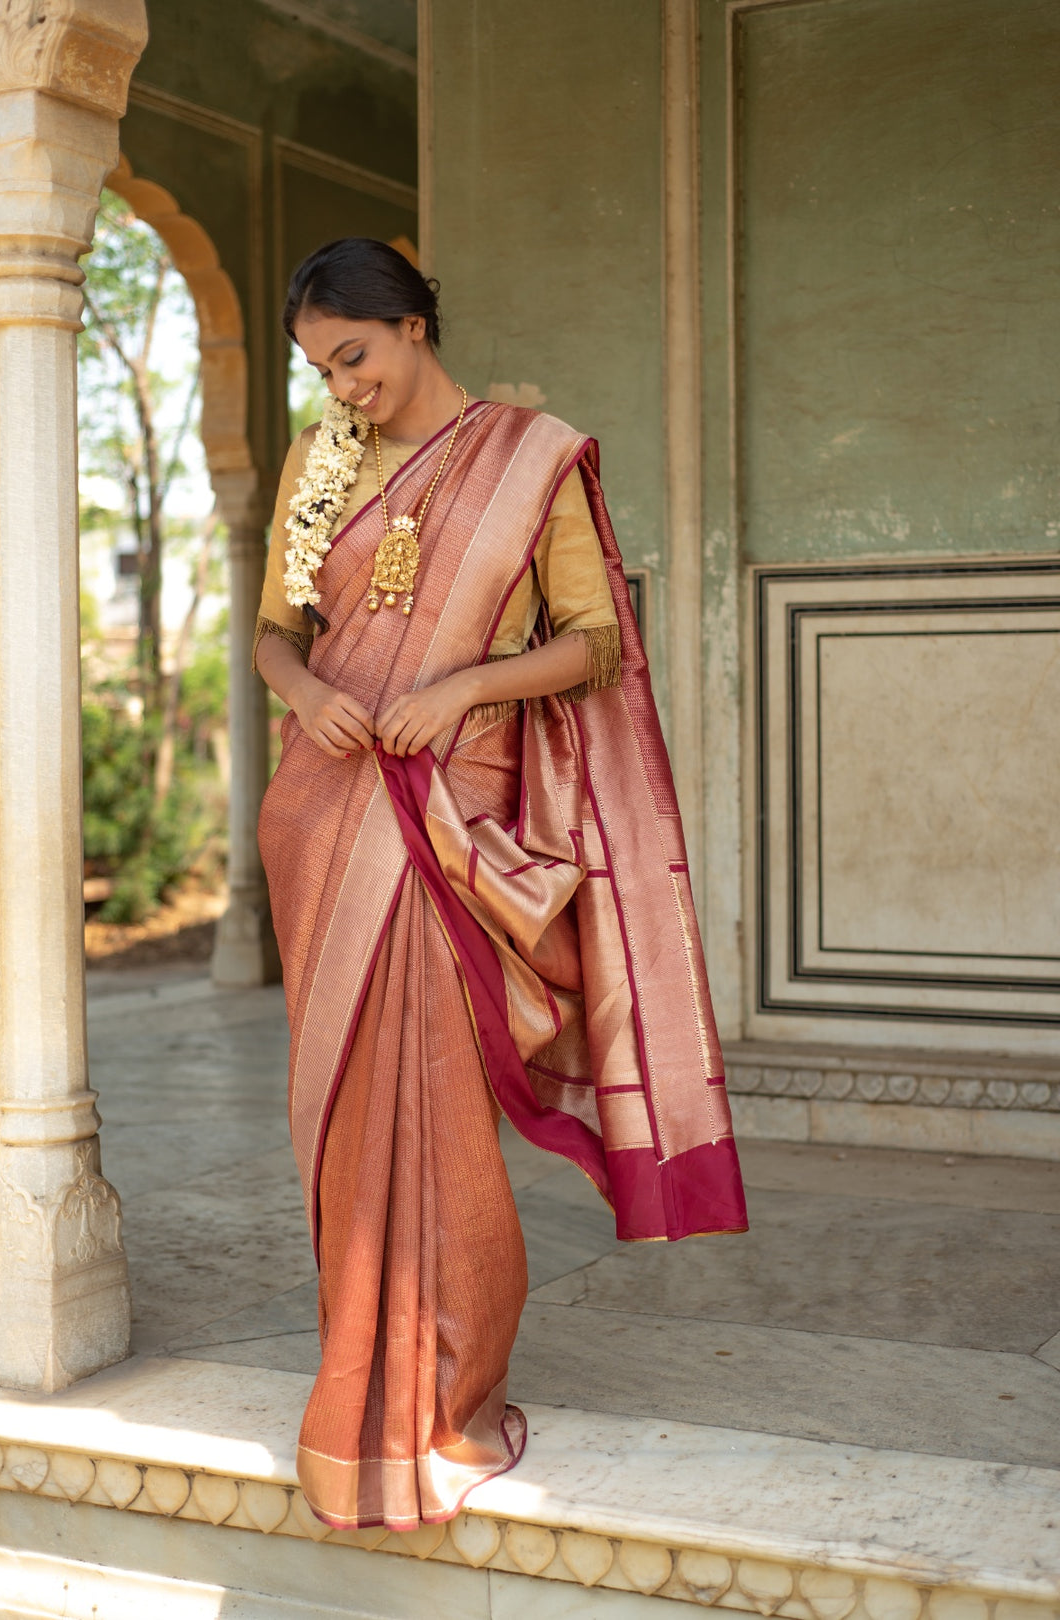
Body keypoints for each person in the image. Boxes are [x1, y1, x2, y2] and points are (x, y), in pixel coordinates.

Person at [254, 237, 747, 1534]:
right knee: (348, 1115)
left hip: (449, 819)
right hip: (327, 813)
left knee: (434, 1109)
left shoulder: (531, 463)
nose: (341, 386)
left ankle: (444, 1390)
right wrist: (307, 693)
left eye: (351, 355)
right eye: (319, 367)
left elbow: (591, 647)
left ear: (413, 322)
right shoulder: (318, 467)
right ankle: (356, 1388)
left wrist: (464, 683)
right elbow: (274, 631)